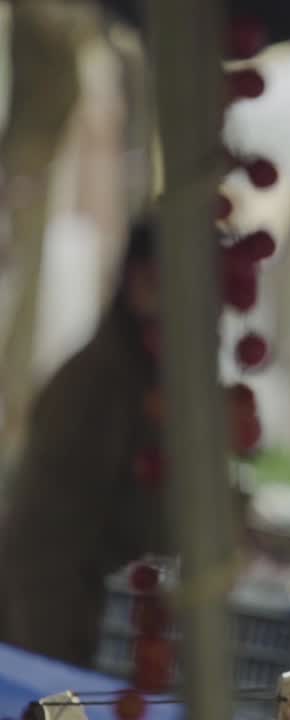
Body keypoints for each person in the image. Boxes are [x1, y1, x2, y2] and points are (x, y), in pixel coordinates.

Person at [0, 220, 170, 667]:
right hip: (44, 605)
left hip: (60, 600)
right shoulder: (97, 383)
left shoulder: (134, 377)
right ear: (139, 279)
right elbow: (45, 538)